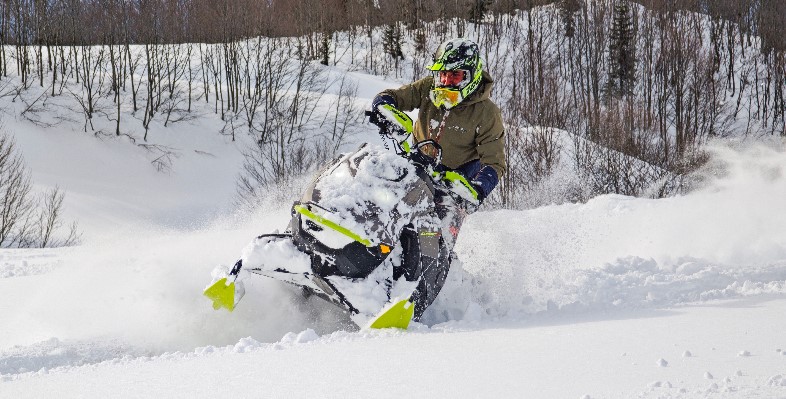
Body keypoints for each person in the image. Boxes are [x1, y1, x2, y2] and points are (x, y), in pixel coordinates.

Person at [368, 37, 506, 318]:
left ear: (471, 75)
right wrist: (384, 105)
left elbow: (494, 163)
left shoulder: (486, 112)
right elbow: (397, 96)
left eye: (454, 75)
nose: (445, 82)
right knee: (378, 204)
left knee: (433, 236)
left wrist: (476, 190)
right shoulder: (429, 89)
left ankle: (421, 299)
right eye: (442, 74)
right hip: (414, 165)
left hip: (454, 185)